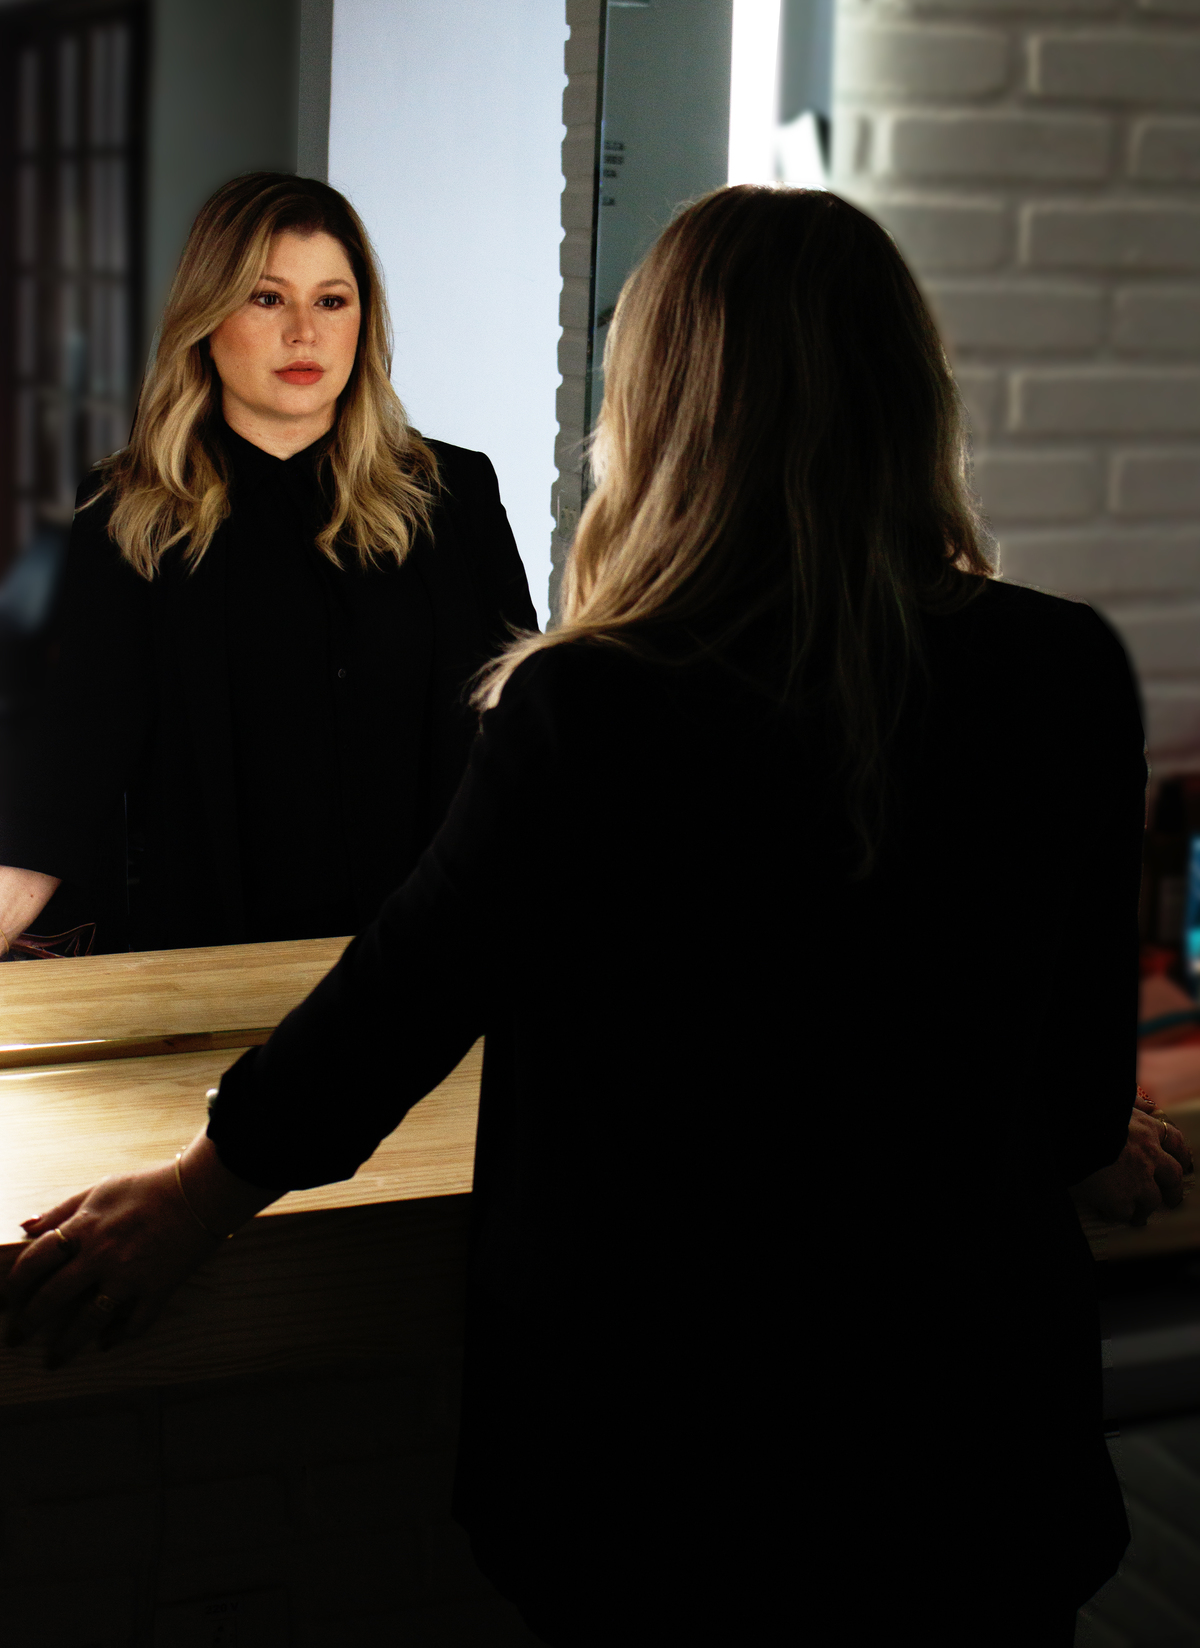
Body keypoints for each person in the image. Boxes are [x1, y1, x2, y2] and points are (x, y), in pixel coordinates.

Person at [1, 186, 1193, 1646]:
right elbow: (1071, 1093)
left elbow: (396, 1012)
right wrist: (1077, 1133)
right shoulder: (1067, 669)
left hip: (668, 1466)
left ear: (665, 409)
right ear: (910, 392)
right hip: (971, 1454)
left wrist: (195, 1197)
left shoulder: (597, 700)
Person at [0, 172, 536, 956]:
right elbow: (76, 752)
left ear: (363, 321)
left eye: (331, 301)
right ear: (206, 315)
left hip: (427, 962)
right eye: (266, 298)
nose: (303, 332)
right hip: (209, 964)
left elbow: (524, 734)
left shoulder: (455, 494)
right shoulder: (127, 510)